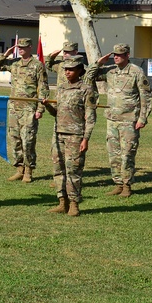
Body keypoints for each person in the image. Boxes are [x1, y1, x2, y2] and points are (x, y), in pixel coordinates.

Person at [86, 43, 152, 197]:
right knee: (113, 154)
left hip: (129, 120)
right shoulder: (110, 72)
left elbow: (146, 97)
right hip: (112, 120)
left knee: (127, 153)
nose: (116, 57)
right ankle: (117, 183)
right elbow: (89, 76)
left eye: (120, 54)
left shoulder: (136, 72)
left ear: (127, 55)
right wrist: (98, 63)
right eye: (114, 54)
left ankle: (127, 185)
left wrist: (142, 118)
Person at [42, 57, 97, 217]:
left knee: (73, 171)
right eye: (65, 69)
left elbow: (91, 117)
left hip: (76, 136)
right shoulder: (61, 88)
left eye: (71, 69)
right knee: (58, 170)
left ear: (80, 70)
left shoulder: (86, 89)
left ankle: (74, 204)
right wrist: (47, 106)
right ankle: (62, 202)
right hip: (58, 134)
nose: (67, 72)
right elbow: (56, 113)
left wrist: (86, 138)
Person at [0, 38, 49, 182]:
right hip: (14, 108)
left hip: (29, 109)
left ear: (30, 47)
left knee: (28, 140)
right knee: (15, 139)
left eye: (24, 47)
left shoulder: (37, 65)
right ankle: (19, 168)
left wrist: (40, 109)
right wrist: (6, 54)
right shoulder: (14, 63)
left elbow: (43, 88)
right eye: (19, 47)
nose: (21, 49)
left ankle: (29, 170)